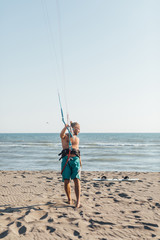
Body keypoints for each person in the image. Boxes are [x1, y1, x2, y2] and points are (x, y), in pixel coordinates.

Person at [59, 122, 81, 208]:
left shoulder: (77, 138)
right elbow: (61, 135)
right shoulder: (65, 136)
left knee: (77, 180)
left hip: (75, 160)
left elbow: (77, 150)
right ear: (73, 128)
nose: (79, 130)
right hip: (66, 160)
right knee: (66, 180)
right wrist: (66, 127)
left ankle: (78, 201)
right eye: (77, 128)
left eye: (79, 128)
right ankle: (69, 199)